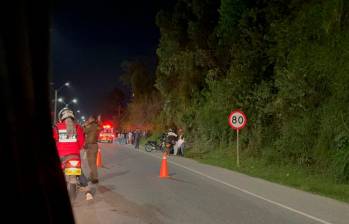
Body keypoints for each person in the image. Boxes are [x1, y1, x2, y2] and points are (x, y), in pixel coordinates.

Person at [53, 108, 93, 200]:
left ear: (61, 117)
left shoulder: (56, 127)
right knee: (79, 171)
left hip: (62, 157)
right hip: (74, 156)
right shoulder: (78, 127)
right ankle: (87, 192)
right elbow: (82, 143)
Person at [83, 115, 101, 184]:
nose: (88, 120)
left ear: (92, 119)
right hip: (94, 145)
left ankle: (95, 178)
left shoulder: (92, 126)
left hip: (90, 146)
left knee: (91, 163)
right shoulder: (96, 126)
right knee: (92, 163)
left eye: (89, 119)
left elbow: (84, 131)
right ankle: (91, 176)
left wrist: (84, 125)